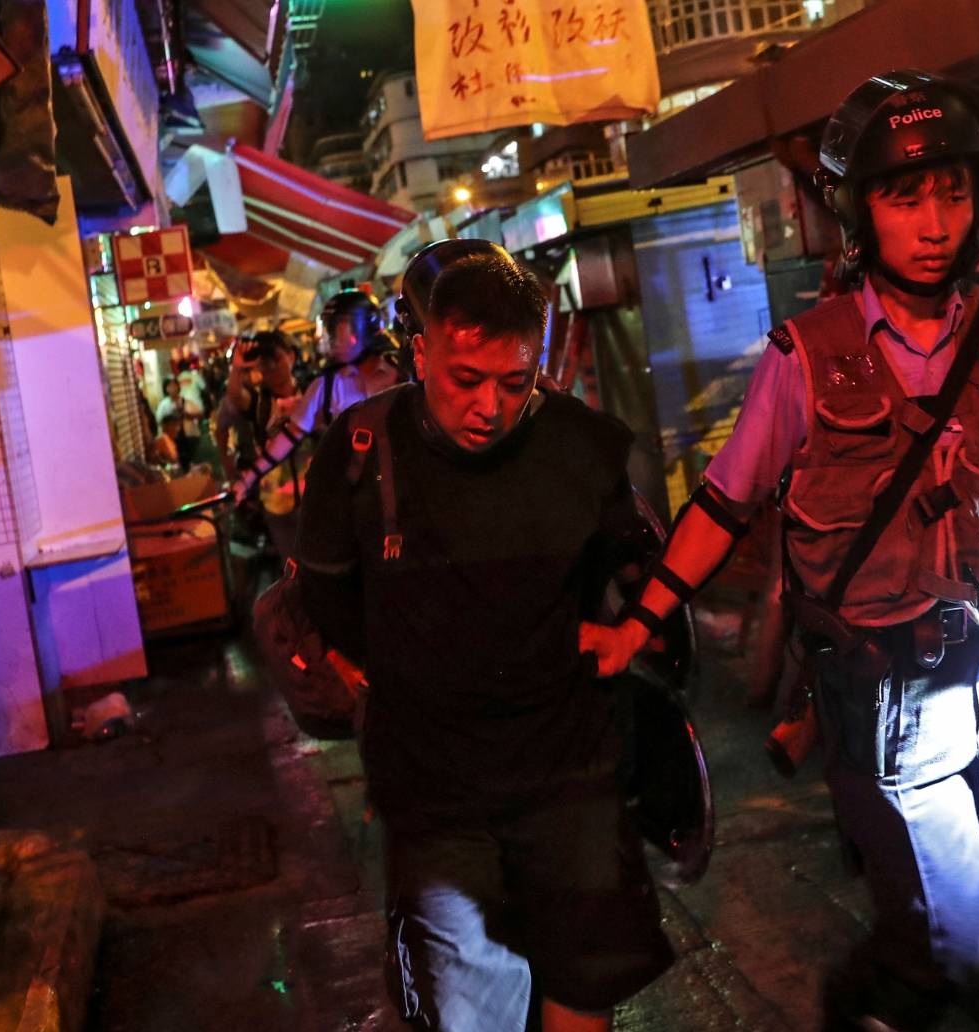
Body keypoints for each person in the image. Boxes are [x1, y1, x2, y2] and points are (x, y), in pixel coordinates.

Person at [581, 70, 979, 1031]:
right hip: (893, 701)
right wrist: (640, 625)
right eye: (904, 196)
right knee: (944, 944)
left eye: (951, 192)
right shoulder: (806, 354)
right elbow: (723, 500)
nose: (934, 221)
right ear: (857, 212)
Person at [295, 243, 673, 1032]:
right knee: (467, 1006)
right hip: (436, 793)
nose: (490, 408)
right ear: (421, 351)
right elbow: (327, 593)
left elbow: (635, 567)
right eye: (466, 381)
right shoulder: (361, 451)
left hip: (570, 772)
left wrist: (634, 631)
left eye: (515, 381)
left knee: (583, 980)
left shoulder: (582, 443)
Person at [231, 290, 401, 504]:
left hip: (406, 494)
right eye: (328, 327)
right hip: (359, 501)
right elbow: (288, 437)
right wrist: (247, 480)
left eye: (336, 326)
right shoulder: (325, 386)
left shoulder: (402, 373)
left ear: (364, 326)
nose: (330, 336)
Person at [217, 330, 306, 558]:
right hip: (277, 502)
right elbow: (235, 395)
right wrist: (238, 368)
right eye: (264, 364)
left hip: (317, 497)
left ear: (291, 357)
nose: (271, 368)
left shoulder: (312, 392)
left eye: (276, 359)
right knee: (292, 567)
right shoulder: (258, 402)